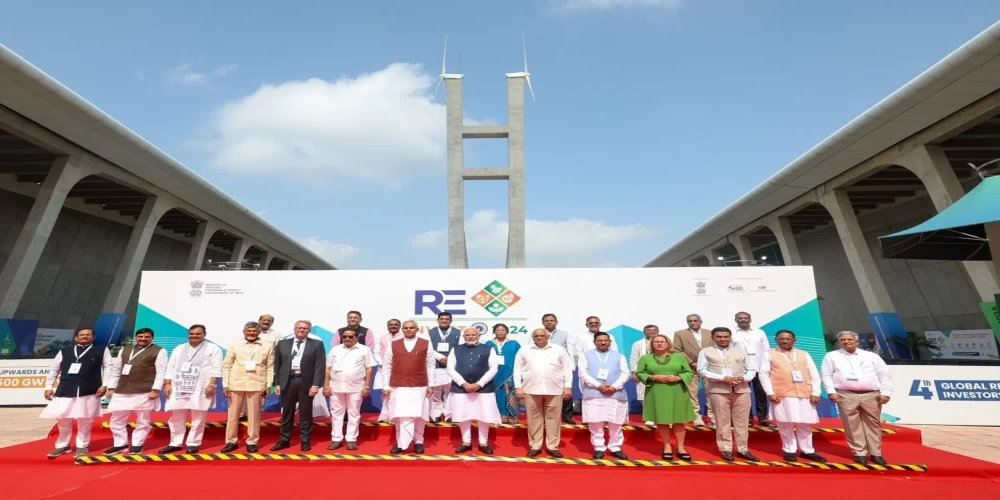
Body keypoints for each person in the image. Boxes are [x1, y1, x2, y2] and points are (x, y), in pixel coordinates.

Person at [821, 331, 894, 465]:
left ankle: (875, 453)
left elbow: (884, 374)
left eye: (849, 339)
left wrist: (886, 392)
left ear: (857, 342)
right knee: (851, 424)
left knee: (873, 424)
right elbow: (826, 374)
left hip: (871, 394)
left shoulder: (871, 356)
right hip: (845, 394)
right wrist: (831, 391)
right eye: (843, 340)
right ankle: (859, 453)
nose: (846, 341)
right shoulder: (831, 356)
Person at [40, 328, 110, 458]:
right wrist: (48, 386)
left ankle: (82, 446)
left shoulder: (101, 350)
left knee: (85, 419)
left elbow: (109, 368)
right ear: (76, 338)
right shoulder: (64, 351)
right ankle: (62, 445)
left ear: (93, 337)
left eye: (88, 335)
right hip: (66, 388)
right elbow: (54, 369)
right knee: (63, 419)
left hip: (89, 389)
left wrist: (105, 384)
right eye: (81, 335)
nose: (84, 337)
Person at [758, 329, 826, 462]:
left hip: (804, 393)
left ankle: (807, 450)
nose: (784, 341)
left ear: (794, 340)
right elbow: (763, 374)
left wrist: (816, 392)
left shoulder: (803, 354)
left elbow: (814, 374)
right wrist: (770, 392)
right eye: (781, 339)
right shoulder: (769, 354)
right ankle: (789, 450)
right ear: (776, 340)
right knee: (785, 423)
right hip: (782, 394)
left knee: (805, 424)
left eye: (788, 339)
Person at [159, 324, 223, 454]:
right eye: (192, 334)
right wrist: (167, 384)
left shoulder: (213, 348)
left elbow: (217, 369)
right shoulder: (179, 348)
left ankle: (193, 443)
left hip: (201, 387)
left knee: (198, 417)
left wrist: (212, 385)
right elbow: (170, 367)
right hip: (178, 386)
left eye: (198, 334)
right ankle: (175, 443)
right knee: (176, 416)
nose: (194, 336)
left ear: (204, 334)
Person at [698, 327, 760, 462]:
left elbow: (751, 369)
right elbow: (702, 370)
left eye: (725, 336)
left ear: (730, 337)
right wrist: (722, 378)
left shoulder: (741, 351)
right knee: (722, 421)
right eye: (719, 337)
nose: (722, 339)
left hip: (741, 389)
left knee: (742, 422)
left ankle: (743, 449)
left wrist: (743, 378)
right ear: (713, 337)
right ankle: (725, 449)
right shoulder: (705, 351)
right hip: (718, 390)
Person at [104, 327, 167, 455]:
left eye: (147, 337)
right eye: (140, 336)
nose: (143, 339)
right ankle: (120, 444)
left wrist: (155, 390)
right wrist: (111, 387)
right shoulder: (125, 350)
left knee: (143, 420)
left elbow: (161, 372)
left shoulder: (159, 351)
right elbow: (116, 370)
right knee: (116, 419)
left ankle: (137, 444)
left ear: (152, 338)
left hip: (144, 390)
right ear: (135, 337)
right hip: (122, 390)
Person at [514, 328, 573, 458]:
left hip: (554, 389)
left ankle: (553, 446)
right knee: (534, 419)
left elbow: (567, 369)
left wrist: (567, 386)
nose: (539, 338)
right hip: (531, 389)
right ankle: (535, 446)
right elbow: (517, 369)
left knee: (554, 419)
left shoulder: (558, 350)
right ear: (533, 337)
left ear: (548, 337)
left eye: (542, 335)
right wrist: (518, 387)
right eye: (536, 336)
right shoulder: (524, 350)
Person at [637, 334, 695, 460]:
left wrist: (679, 377)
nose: (659, 344)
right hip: (657, 391)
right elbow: (640, 373)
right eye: (656, 342)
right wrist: (653, 377)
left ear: (668, 344)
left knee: (679, 420)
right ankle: (667, 446)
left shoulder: (679, 357)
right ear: (651, 344)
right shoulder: (645, 358)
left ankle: (681, 447)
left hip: (677, 391)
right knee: (661, 419)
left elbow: (688, 372)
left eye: (662, 341)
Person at [221, 321, 275, 453]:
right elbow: (227, 366)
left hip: (257, 384)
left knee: (254, 415)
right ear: (244, 331)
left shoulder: (267, 346)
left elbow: (270, 366)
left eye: (254, 331)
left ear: (259, 332)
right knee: (233, 415)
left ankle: (252, 441)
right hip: (236, 383)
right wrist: (225, 384)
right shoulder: (234, 345)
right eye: (248, 331)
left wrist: (268, 385)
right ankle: (231, 441)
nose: (251, 333)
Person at [383, 320, 436, 454]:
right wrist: (386, 386)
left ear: (417, 329)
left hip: (420, 385)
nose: (408, 330)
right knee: (399, 415)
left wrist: (431, 384)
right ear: (402, 329)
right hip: (398, 385)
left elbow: (430, 365)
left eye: (411, 328)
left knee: (419, 415)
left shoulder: (426, 343)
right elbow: (387, 365)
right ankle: (400, 443)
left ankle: (418, 442)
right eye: (406, 328)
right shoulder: (394, 344)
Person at [272, 320, 326, 451]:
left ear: (309, 330)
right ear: (294, 329)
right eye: (300, 328)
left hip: (306, 382)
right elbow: (277, 365)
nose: (302, 330)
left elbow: (320, 366)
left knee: (306, 413)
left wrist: (316, 385)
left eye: (306, 328)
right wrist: (277, 383)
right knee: (287, 413)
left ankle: (305, 441)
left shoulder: (317, 344)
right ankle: (284, 439)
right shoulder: (283, 344)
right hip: (288, 381)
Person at [446, 327, 501, 454]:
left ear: (479, 335)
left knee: (484, 415)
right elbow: (450, 369)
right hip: (461, 388)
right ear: (464, 336)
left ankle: (483, 442)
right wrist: (463, 383)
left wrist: (479, 384)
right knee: (463, 414)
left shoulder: (488, 349)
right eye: (468, 335)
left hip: (484, 388)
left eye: (473, 335)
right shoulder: (456, 349)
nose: (470, 337)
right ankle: (466, 442)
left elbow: (493, 368)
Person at [579, 332, 629, 460]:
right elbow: (583, 374)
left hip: (615, 393)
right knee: (595, 422)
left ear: (610, 342)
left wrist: (614, 386)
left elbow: (625, 374)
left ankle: (615, 447)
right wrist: (598, 386)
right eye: (600, 340)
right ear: (594, 342)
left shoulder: (619, 356)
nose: (603, 343)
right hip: (594, 393)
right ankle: (599, 447)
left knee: (616, 422)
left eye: (606, 340)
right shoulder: (585, 355)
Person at [324, 327, 374, 451]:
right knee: (336, 414)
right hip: (336, 386)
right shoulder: (335, 349)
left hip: (356, 387)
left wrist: (367, 386)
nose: (347, 338)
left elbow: (368, 368)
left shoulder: (365, 350)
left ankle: (351, 439)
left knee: (354, 414)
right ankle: (336, 439)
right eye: (344, 336)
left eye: (350, 336)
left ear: (356, 338)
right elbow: (328, 368)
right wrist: (326, 385)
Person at [732, 312, 774, 428]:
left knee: (761, 394)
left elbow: (766, 349)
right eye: (740, 318)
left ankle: (762, 418)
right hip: (740, 369)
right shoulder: (731, 333)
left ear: (750, 320)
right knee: (743, 395)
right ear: (736, 320)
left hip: (759, 367)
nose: (743, 320)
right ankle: (747, 418)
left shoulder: (759, 332)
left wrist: (768, 366)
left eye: (746, 318)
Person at [673, 314, 714, 425]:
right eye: (690, 321)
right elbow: (677, 350)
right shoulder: (679, 334)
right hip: (690, 367)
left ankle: (712, 416)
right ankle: (696, 416)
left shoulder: (711, 333)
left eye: (695, 320)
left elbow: (715, 348)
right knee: (692, 393)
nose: (692, 322)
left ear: (701, 321)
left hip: (709, 367)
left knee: (711, 392)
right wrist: (691, 363)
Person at [540, 313, 574, 424]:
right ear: (543, 323)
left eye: (551, 320)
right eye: (546, 321)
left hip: (560, 367)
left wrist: (571, 366)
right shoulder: (537, 334)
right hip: (543, 367)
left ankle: (566, 415)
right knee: (544, 391)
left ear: (556, 322)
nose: (549, 322)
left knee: (566, 391)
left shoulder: (565, 334)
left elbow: (570, 351)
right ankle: (544, 416)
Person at [427, 311, 461, 422]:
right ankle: (436, 413)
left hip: (452, 365)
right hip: (435, 364)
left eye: (447, 319)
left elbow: (460, 348)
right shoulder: (430, 332)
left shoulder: (458, 333)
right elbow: (428, 348)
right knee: (435, 391)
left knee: (449, 391)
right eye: (442, 319)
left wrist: (449, 359)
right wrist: (440, 357)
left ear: (451, 321)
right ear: (438, 320)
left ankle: (448, 414)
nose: (444, 321)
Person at [485, 323, 522, 424]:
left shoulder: (514, 344)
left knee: (509, 394)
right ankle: (497, 417)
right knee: (497, 394)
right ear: (494, 332)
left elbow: (520, 358)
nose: (500, 332)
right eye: (498, 330)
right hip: (494, 374)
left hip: (510, 373)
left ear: (507, 332)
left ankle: (511, 417)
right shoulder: (488, 344)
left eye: (503, 330)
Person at [376, 318, 403, 422]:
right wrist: (382, 363)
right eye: (391, 325)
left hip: (399, 370)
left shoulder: (404, 337)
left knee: (396, 393)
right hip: (383, 369)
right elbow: (376, 352)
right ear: (387, 326)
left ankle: (394, 415)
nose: (393, 326)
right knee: (385, 392)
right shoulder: (381, 337)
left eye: (395, 325)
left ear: (399, 326)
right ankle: (384, 415)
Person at [629, 324, 658, 422]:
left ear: (658, 331)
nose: (651, 332)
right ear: (644, 332)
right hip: (644, 373)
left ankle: (662, 416)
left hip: (660, 372)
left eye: (654, 330)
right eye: (648, 330)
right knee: (646, 396)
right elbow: (634, 359)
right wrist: (634, 372)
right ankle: (649, 417)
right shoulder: (638, 344)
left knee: (661, 395)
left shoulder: (663, 342)